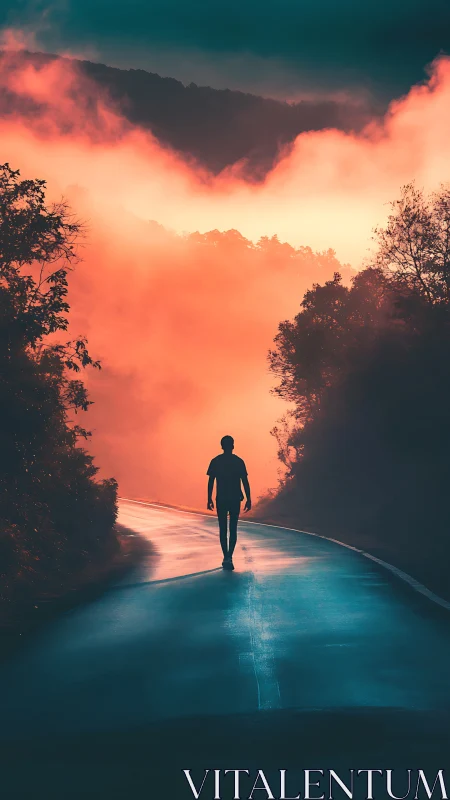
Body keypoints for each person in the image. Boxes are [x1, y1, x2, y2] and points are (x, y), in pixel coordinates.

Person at [207, 435, 251, 570]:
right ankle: (229, 556)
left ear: (222, 446)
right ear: (233, 446)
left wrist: (209, 498)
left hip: (221, 499)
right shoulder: (238, 462)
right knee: (233, 528)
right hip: (234, 499)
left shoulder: (216, 461)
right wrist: (249, 498)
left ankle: (226, 556)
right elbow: (244, 481)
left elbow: (211, 481)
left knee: (223, 528)